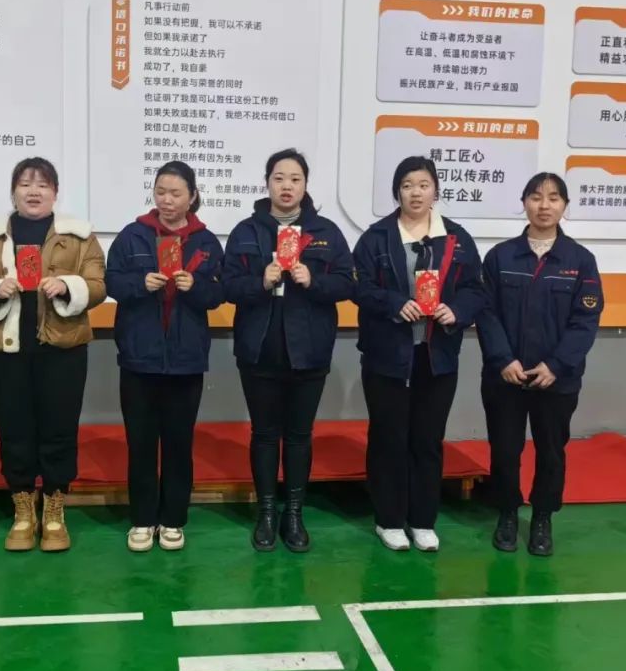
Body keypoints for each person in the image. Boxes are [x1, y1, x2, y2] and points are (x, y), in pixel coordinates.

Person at [0, 157, 106, 553]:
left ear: (55, 193)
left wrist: (69, 286)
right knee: (14, 429)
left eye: (43, 185)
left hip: (63, 348)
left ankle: (55, 508)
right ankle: (23, 508)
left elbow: (97, 283)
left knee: (60, 428)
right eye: (25, 184)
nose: (34, 191)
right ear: (13, 192)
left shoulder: (79, 236)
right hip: (7, 349)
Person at [223, 149, 355, 552]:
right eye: (279, 178)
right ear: (267, 183)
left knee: (299, 436)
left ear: (305, 185)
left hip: (309, 350)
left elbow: (347, 285)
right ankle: (266, 513)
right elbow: (227, 286)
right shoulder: (246, 231)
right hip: (259, 348)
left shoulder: (327, 231)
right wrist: (259, 282)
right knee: (264, 434)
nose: (287, 186)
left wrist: (314, 280)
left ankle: (294, 514)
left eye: (295, 179)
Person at [353, 157, 486, 552]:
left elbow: (476, 290)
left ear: (435, 190)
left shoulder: (457, 239)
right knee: (388, 438)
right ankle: (389, 520)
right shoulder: (377, 237)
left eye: (423, 185)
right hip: (387, 357)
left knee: (428, 439)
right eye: (407, 185)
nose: (416, 192)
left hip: (436, 355)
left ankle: (423, 520)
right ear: (397, 191)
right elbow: (359, 287)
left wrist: (456, 311)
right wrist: (394, 303)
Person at [476, 172, 604, 557]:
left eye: (553, 198)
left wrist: (556, 365)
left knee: (551, 451)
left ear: (564, 206)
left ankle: (543, 516)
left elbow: (585, 321)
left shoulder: (580, 261)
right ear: (524, 203)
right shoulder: (500, 257)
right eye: (535, 197)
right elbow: (485, 313)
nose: (544, 205)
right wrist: (503, 359)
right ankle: (507, 513)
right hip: (505, 377)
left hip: (556, 380)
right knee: (504, 449)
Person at [106, 162, 224, 552]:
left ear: (192, 196)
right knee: (140, 444)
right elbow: (111, 281)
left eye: (175, 193)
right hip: (139, 359)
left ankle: (173, 518)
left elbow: (219, 293)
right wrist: (139, 283)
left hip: (186, 361)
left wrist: (196, 286)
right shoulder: (133, 235)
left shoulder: (206, 242)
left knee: (178, 444)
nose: (167, 200)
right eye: (161, 192)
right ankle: (142, 519)